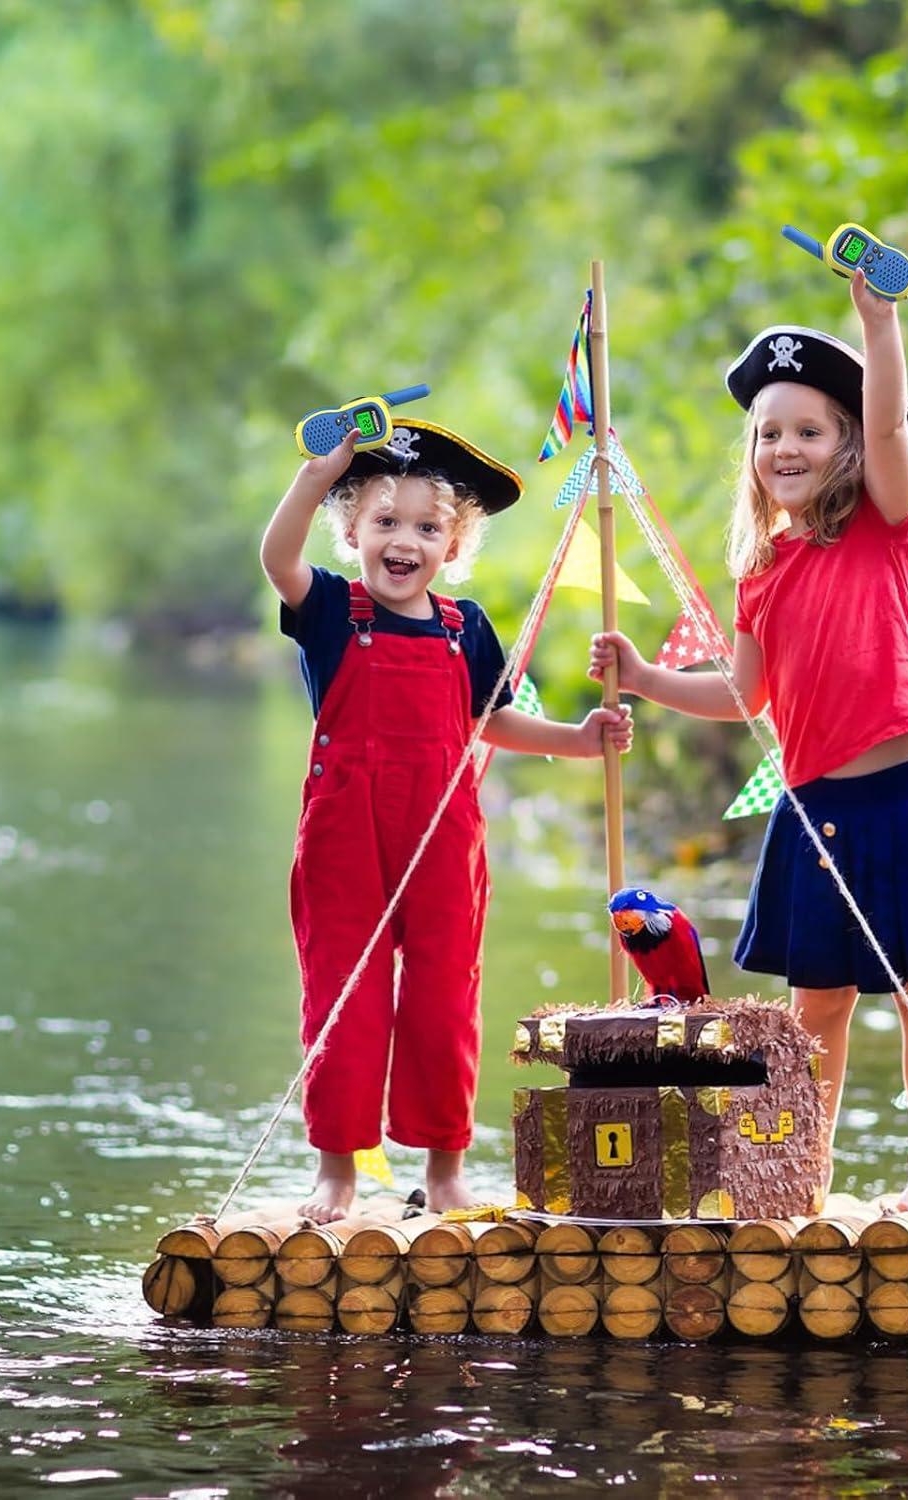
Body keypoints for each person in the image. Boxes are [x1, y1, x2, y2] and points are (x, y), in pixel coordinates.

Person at [589, 271, 908, 1217]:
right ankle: (800, 1178)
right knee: (815, 1007)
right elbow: (745, 694)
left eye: (809, 430)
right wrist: (647, 679)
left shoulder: (878, 525)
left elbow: (894, 426)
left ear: (849, 445)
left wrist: (879, 321)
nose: (785, 447)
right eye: (770, 432)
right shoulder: (759, 570)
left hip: (905, 792)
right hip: (815, 809)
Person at [263, 418, 632, 1222]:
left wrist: (576, 740)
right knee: (344, 998)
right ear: (352, 527)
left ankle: (446, 1168)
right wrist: (315, 475)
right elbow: (276, 559)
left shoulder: (466, 629)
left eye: (428, 528)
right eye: (386, 522)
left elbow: (492, 720)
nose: (405, 542)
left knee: (442, 999)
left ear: (454, 544)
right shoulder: (331, 608)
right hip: (344, 835)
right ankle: (339, 1173)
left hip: (442, 836)